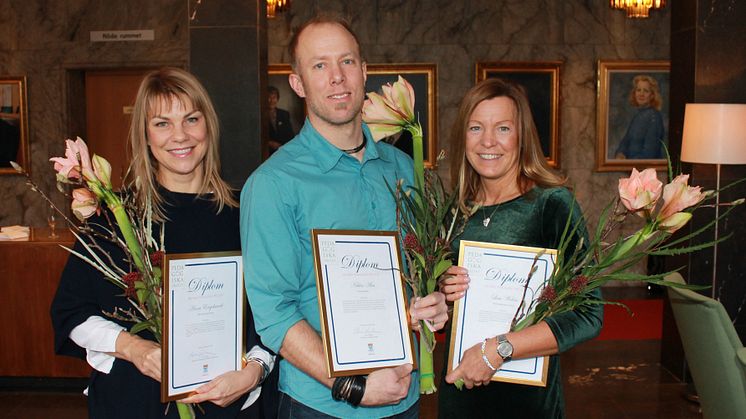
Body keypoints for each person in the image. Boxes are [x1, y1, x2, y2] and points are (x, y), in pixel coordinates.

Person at [241, 14, 448, 419]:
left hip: (402, 397)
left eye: (347, 61)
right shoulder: (273, 184)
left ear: (365, 71)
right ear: (297, 83)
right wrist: (352, 387)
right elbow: (274, 314)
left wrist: (432, 304)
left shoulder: (403, 169)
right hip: (321, 405)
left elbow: (416, 272)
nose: (337, 77)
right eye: (319, 65)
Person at [51, 67, 277, 418]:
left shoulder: (246, 212)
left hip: (230, 402)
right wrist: (136, 349)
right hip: (135, 401)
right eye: (162, 123)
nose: (180, 136)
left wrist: (253, 372)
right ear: (145, 133)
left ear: (209, 125)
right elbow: (73, 313)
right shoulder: (115, 217)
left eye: (191, 119)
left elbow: (274, 311)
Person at [438, 78, 603, 418]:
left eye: (502, 128)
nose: (487, 141)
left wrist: (499, 349)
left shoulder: (551, 205)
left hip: (525, 400)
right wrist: (444, 294)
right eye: (475, 127)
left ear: (522, 136)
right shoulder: (455, 211)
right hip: (461, 392)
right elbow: (447, 314)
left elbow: (588, 315)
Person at [614, 75, 665, 159]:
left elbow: (650, 153)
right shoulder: (638, 116)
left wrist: (628, 162)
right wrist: (621, 153)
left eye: (646, 91)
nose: (641, 94)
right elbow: (626, 141)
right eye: (638, 90)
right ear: (634, 93)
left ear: (652, 95)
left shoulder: (654, 117)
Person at [267, 85, 295, 153]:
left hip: (283, 151)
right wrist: (270, 143)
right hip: (267, 153)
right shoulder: (260, 116)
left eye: (274, 97)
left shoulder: (284, 114)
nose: (271, 100)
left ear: (277, 99)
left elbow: (290, 135)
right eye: (268, 97)